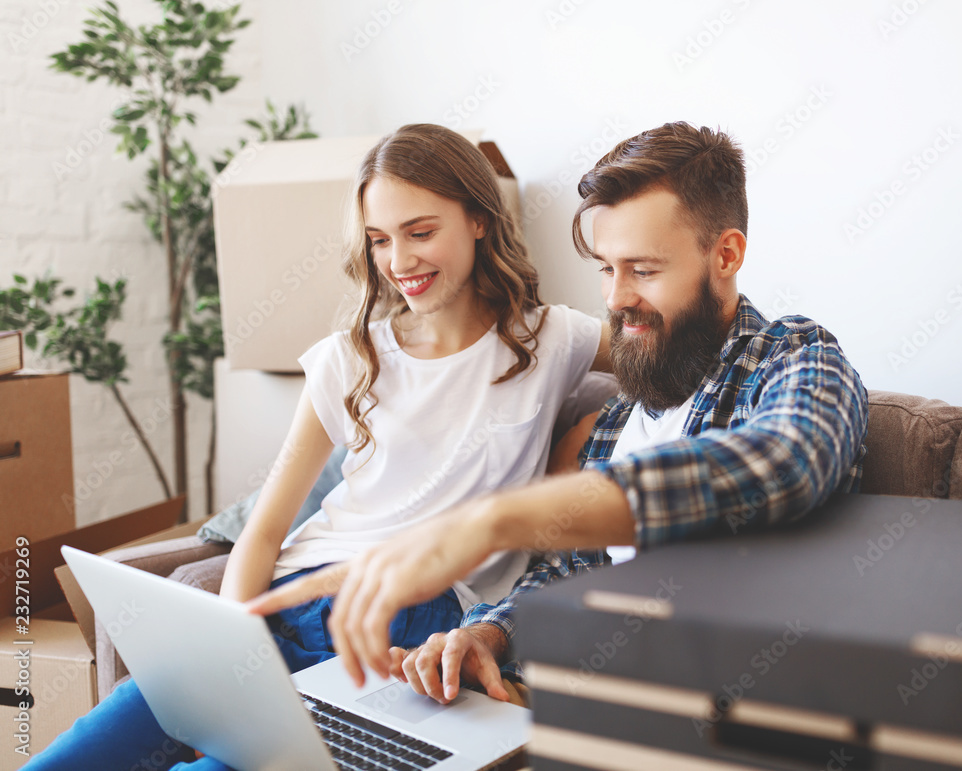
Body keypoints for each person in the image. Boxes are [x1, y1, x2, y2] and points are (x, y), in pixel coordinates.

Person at [25, 123, 609, 770]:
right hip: (298, 594)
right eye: (379, 239)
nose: (399, 261)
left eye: (420, 231)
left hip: (411, 617)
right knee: (80, 751)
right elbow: (268, 526)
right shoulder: (349, 359)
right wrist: (230, 646)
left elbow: (665, 345)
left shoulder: (551, 338)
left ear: (477, 219)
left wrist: (586, 441)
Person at [249, 121, 869, 707]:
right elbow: (569, 569)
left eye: (644, 270)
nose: (616, 299)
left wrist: (492, 522)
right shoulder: (626, 403)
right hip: (570, 687)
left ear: (726, 255)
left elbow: (789, 462)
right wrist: (483, 637)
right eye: (605, 268)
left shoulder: (791, 355)